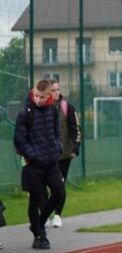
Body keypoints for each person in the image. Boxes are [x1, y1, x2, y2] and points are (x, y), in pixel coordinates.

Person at [14, 78, 65, 250]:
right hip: (33, 164)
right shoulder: (25, 113)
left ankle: (39, 224)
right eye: (36, 95)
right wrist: (33, 155)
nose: (38, 99)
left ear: (49, 95)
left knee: (59, 193)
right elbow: (19, 140)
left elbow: (57, 133)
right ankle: (39, 236)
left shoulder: (53, 110)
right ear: (33, 92)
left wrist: (57, 148)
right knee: (36, 199)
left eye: (42, 97)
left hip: (51, 162)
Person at [48, 79, 82, 229]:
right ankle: (44, 214)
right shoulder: (41, 108)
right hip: (46, 155)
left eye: (57, 89)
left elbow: (76, 129)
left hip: (64, 155)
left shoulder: (67, 107)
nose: (56, 92)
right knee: (43, 187)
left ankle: (57, 215)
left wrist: (75, 148)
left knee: (59, 186)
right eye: (53, 90)